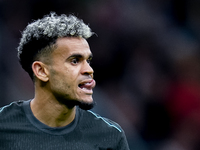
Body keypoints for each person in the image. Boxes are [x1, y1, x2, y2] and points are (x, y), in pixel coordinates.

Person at [0, 12, 130, 149]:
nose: (89, 70)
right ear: (41, 71)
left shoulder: (110, 137)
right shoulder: (4, 127)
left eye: (88, 61)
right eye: (74, 61)